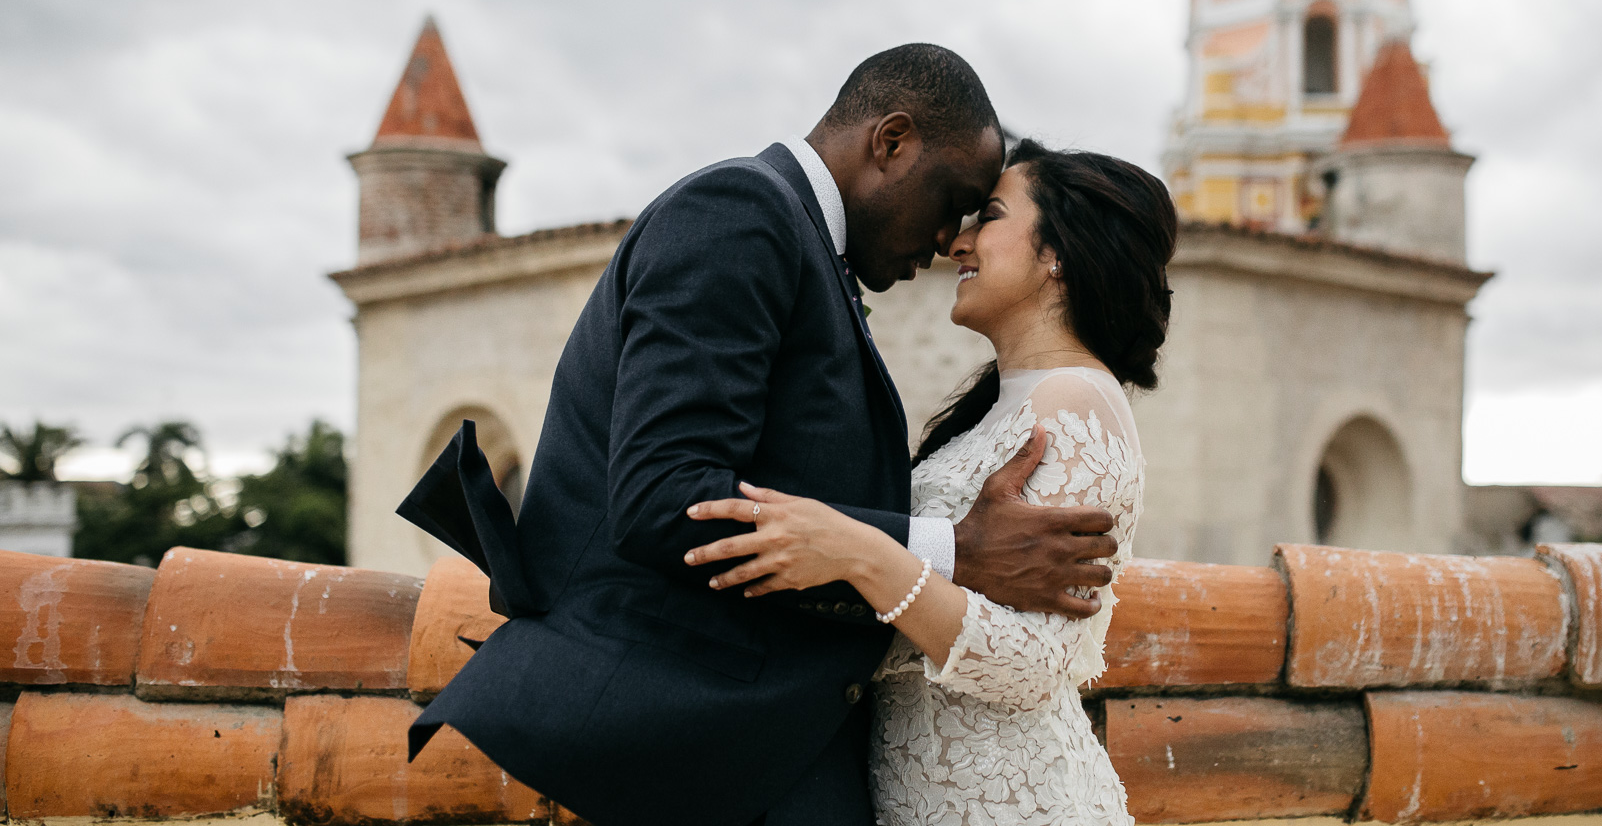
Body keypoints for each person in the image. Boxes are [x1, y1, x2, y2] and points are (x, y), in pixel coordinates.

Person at [400, 45, 1121, 826]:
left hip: (777, 742)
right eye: (952, 200)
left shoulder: (792, 238)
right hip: (704, 731)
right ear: (892, 141)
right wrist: (953, 550)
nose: (951, 237)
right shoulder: (739, 213)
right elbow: (663, 496)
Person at [687, 139, 1177, 826]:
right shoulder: (999, 410)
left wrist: (863, 553)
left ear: (1058, 255)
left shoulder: (1077, 405)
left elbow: (1036, 664)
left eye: (992, 217)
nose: (960, 242)